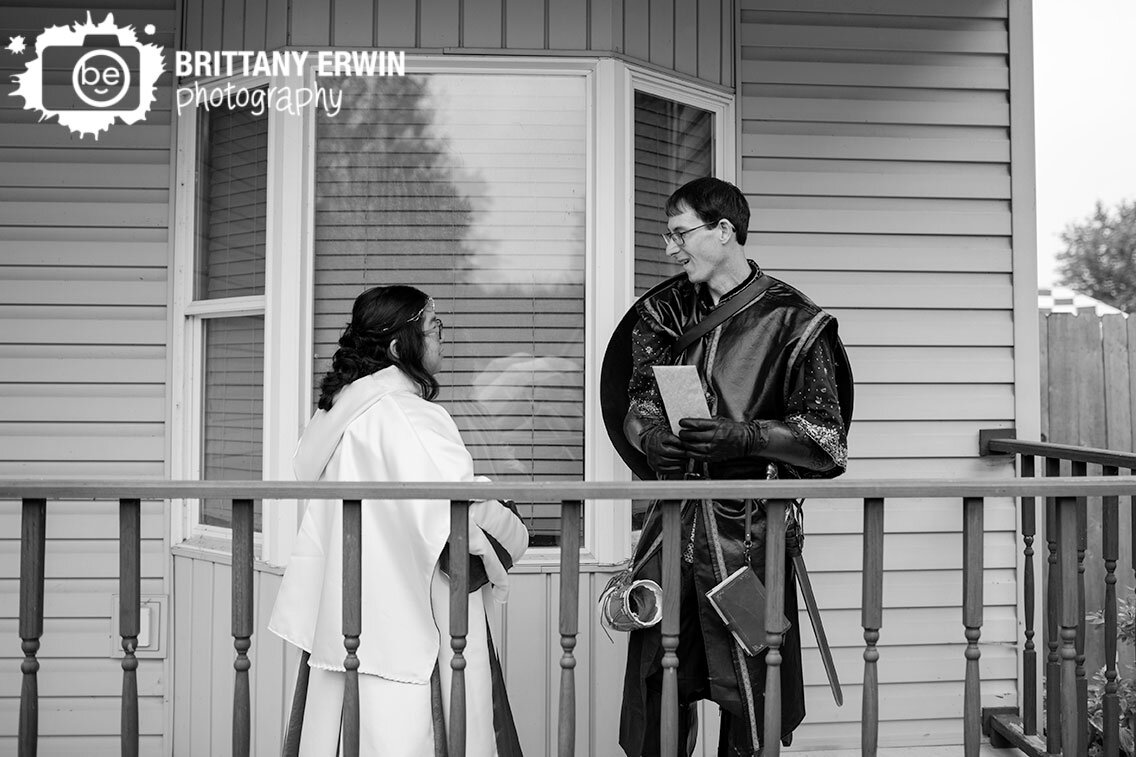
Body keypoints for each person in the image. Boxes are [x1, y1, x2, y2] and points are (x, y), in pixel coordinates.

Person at [617, 178, 853, 757]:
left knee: (749, 691)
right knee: (660, 682)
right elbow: (637, 402)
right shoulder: (663, 311)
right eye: (668, 236)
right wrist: (649, 440)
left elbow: (827, 442)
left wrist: (745, 436)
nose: (671, 250)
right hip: (671, 535)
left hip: (750, 542)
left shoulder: (797, 323)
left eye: (680, 234)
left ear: (724, 231)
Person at [268, 284, 529, 756]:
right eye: (434, 327)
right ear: (397, 347)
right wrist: (512, 518)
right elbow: (463, 509)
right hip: (412, 618)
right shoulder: (410, 416)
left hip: (344, 617)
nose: (442, 338)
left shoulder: (338, 415)